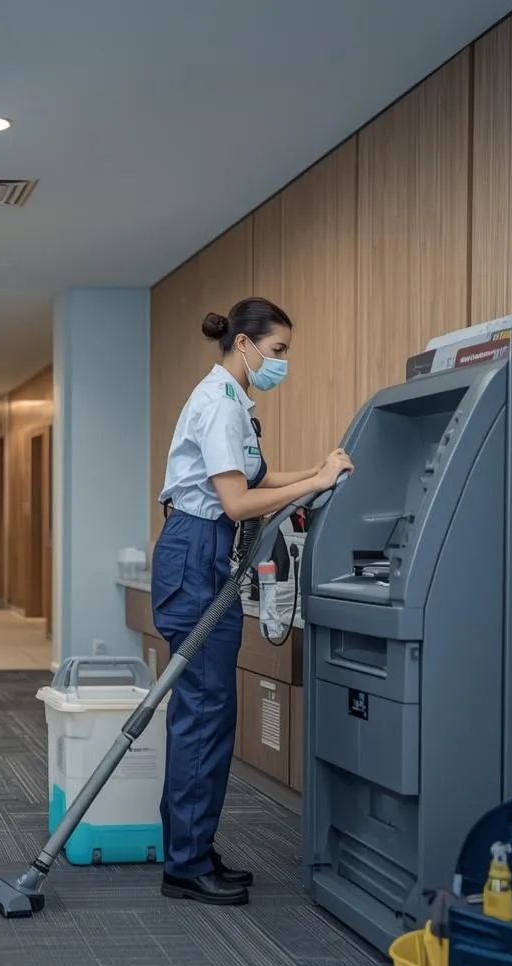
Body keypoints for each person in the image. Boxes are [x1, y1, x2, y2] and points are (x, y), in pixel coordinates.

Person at [153, 297, 352, 906]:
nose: (281, 362)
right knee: (204, 712)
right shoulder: (217, 404)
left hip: (208, 552)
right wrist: (315, 484)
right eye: (278, 351)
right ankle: (184, 864)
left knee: (213, 712)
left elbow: (259, 480)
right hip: (196, 553)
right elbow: (237, 503)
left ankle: (194, 848)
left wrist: (316, 472)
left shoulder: (236, 404)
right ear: (245, 344)